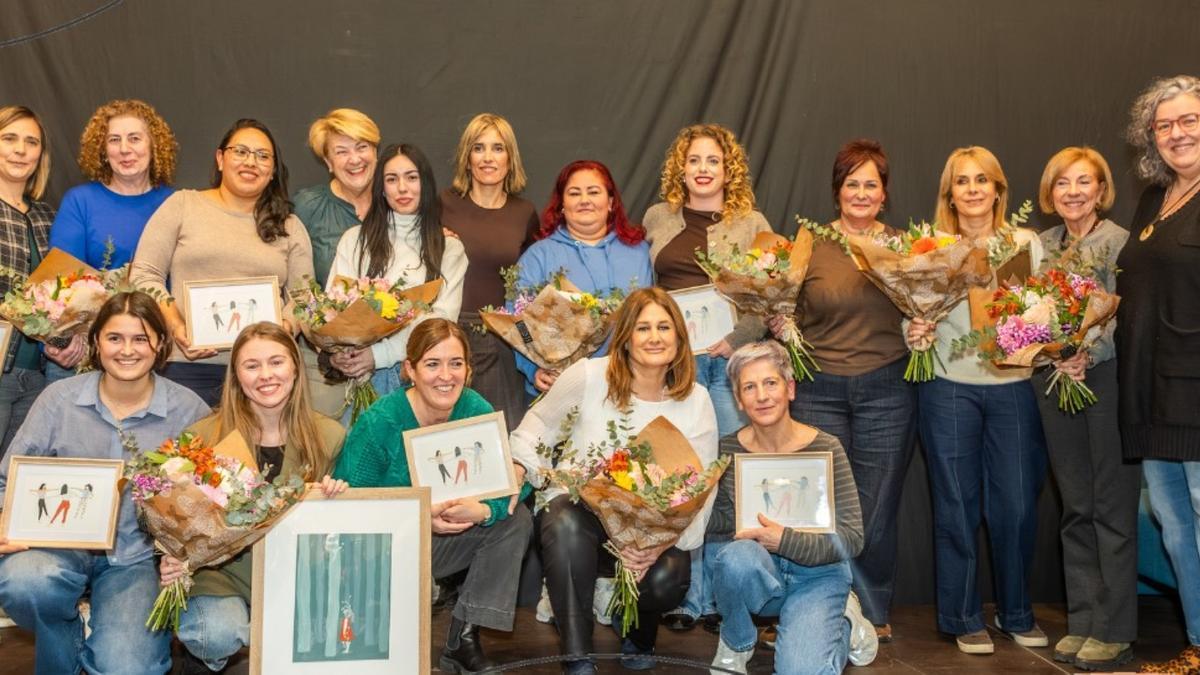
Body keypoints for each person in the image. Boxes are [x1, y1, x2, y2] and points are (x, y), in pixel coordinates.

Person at [510, 287, 719, 674]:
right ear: (625, 337)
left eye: (663, 327)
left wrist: (658, 544)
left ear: (679, 337)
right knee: (563, 520)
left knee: (667, 579)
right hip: (582, 517)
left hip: (650, 531)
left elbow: (702, 487)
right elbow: (537, 426)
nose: (654, 337)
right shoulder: (589, 376)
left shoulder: (697, 399)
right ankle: (577, 656)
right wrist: (522, 465)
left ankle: (638, 634)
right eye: (643, 328)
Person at [0, 291, 210, 675]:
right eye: (115, 338)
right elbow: (7, 480)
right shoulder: (58, 399)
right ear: (96, 342)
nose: (127, 350)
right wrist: (4, 520)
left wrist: (185, 553)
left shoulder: (189, 410)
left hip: (136, 559)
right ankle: (67, 637)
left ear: (160, 343)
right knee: (25, 583)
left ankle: (105, 642)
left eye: (140, 338)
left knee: (127, 667)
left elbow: (212, 497)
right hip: (56, 548)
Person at [907, 146, 1047, 655]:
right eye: (962, 181)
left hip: (1012, 387)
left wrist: (1043, 330)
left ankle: (1016, 613)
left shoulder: (1024, 242)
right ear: (950, 194)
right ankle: (962, 616)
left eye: (982, 180)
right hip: (948, 386)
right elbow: (910, 311)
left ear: (998, 189)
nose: (972, 190)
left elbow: (1046, 311)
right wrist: (914, 332)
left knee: (1016, 507)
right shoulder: (930, 247)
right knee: (955, 505)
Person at [333, 318, 533, 674]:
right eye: (432, 364)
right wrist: (419, 515)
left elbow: (513, 485)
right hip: (383, 547)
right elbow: (351, 505)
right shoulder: (380, 421)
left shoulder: (474, 408)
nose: (445, 376)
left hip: (444, 541)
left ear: (468, 370)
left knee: (515, 520)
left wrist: (485, 510)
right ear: (410, 370)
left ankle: (464, 639)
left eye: (456, 363)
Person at [160, 322, 346, 673]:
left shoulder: (329, 436)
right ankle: (216, 653)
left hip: (292, 569)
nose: (266, 375)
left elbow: (339, 527)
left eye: (276, 362)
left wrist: (337, 497)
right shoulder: (203, 437)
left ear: (295, 367)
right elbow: (171, 513)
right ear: (236, 376)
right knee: (214, 635)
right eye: (252, 365)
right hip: (220, 571)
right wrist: (171, 554)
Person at [786, 139, 915, 642]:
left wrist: (922, 324)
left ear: (884, 194)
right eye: (852, 184)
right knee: (823, 504)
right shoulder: (809, 242)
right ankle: (818, 604)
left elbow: (922, 305)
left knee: (876, 505)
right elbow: (786, 305)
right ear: (837, 191)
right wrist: (780, 322)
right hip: (817, 388)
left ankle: (871, 609)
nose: (861, 193)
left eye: (871, 185)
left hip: (888, 387)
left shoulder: (906, 247)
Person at [643, 123, 770, 631]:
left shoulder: (752, 222)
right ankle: (686, 597)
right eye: (693, 160)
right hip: (673, 368)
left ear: (727, 168)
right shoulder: (658, 217)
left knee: (726, 478)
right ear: (681, 168)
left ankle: (721, 597)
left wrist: (737, 339)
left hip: (729, 367)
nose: (702, 169)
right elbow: (646, 288)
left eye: (712, 161)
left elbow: (768, 294)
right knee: (681, 476)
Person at [707, 341, 875, 674]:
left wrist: (784, 540)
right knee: (732, 559)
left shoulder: (826, 448)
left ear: (790, 389)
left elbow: (852, 538)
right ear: (738, 399)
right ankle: (737, 640)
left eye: (771, 383)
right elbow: (721, 522)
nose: (762, 396)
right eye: (749, 387)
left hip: (819, 575)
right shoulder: (727, 451)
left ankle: (845, 622)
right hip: (763, 574)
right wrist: (683, 504)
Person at [1032, 146, 1138, 670]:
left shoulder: (1120, 242)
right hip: (1053, 380)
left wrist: (1085, 354)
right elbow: (1024, 314)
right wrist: (1050, 350)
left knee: (1110, 506)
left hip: (1106, 380)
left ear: (1101, 189)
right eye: (1062, 183)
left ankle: (1114, 629)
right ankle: (1083, 620)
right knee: (1076, 505)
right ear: (1050, 192)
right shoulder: (1042, 246)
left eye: (1083, 182)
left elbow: (1127, 316)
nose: (1072, 192)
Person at [131, 118, 314, 406]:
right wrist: (176, 326)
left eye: (262, 156)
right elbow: (144, 274)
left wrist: (285, 328)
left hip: (266, 375)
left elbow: (305, 297)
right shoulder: (183, 205)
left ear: (273, 171)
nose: (251, 162)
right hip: (189, 367)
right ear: (220, 158)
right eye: (240, 151)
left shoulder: (289, 225)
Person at [1117, 74, 1200, 675]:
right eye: (1164, 125)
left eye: (1189, 120)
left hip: (1195, 390)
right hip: (1149, 389)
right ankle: (1198, 644)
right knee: (1174, 527)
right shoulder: (1155, 198)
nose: (1176, 133)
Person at [325, 143, 467, 407]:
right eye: (392, 179)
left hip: (421, 378)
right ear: (381, 188)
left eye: (411, 177)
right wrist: (341, 352)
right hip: (361, 378)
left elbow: (440, 320)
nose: (402, 188)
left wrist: (378, 355)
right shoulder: (354, 240)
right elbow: (333, 308)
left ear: (425, 184)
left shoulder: (448, 248)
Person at [46, 99, 177, 383]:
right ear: (103, 150)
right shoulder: (80, 201)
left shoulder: (175, 203)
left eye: (135, 138)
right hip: (87, 349)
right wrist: (67, 339)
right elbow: (60, 282)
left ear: (154, 145)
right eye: (114, 140)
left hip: (155, 351)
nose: (125, 149)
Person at [514, 159, 653, 397]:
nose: (584, 200)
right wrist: (533, 368)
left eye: (594, 192)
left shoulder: (639, 252)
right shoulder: (538, 256)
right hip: (563, 387)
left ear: (610, 202)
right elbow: (518, 323)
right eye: (574, 193)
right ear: (562, 204)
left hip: (632, 384)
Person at [440, 113, 539, 431]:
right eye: (478, 148)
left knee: (499, 437)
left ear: (510, 159)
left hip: (501, 343)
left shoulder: (524, 213)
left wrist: (530, 344)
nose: (487, 157)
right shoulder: (443, 205)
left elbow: (529, 292)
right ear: (467, 158)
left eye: (498, 148)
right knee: (447, 435)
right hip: (450, 334)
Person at [293, 109, 381, 418]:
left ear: (375, 151)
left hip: (388, 361)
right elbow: (297, 285)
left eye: (362, 147)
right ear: (328, 162)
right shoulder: (307, 206)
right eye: (341, 151)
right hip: (323, 363)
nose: (354, 159)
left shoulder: (399, 201)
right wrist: (329, 346)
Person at [0, 106, 54, 454]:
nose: (20, 150)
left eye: (31, 142)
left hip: (39, 376)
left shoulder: (48, 215)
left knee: (15, 477)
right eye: (9, 138)